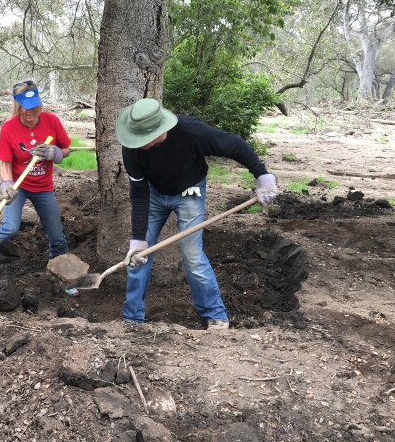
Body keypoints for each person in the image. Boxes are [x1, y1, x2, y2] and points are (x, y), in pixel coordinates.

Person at [115, 98, 279, 330]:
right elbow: (139, 194)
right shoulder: (132, 149)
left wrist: (262, 174)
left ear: (159, 130)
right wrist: (138, 238)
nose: (139, 144)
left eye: (144, 139)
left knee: (192, 255)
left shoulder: (190, 131)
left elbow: (232, 144)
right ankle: (132, 319)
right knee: (138, 257)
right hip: (154, 195)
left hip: (189, 191)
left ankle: (215, 314)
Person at [0, 80, 79, 296]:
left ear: (40, 105)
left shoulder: (51, 121)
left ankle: (62, 276)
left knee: (56, 234)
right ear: (18, 106)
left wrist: (56, 153)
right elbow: (5, 163)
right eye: (25, 107)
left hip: (43, 187)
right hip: (18, 186)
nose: (30, 112)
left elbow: (67, 148)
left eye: (34, 107)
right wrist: (6, 185)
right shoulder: (9, 128)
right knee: (10, 227)